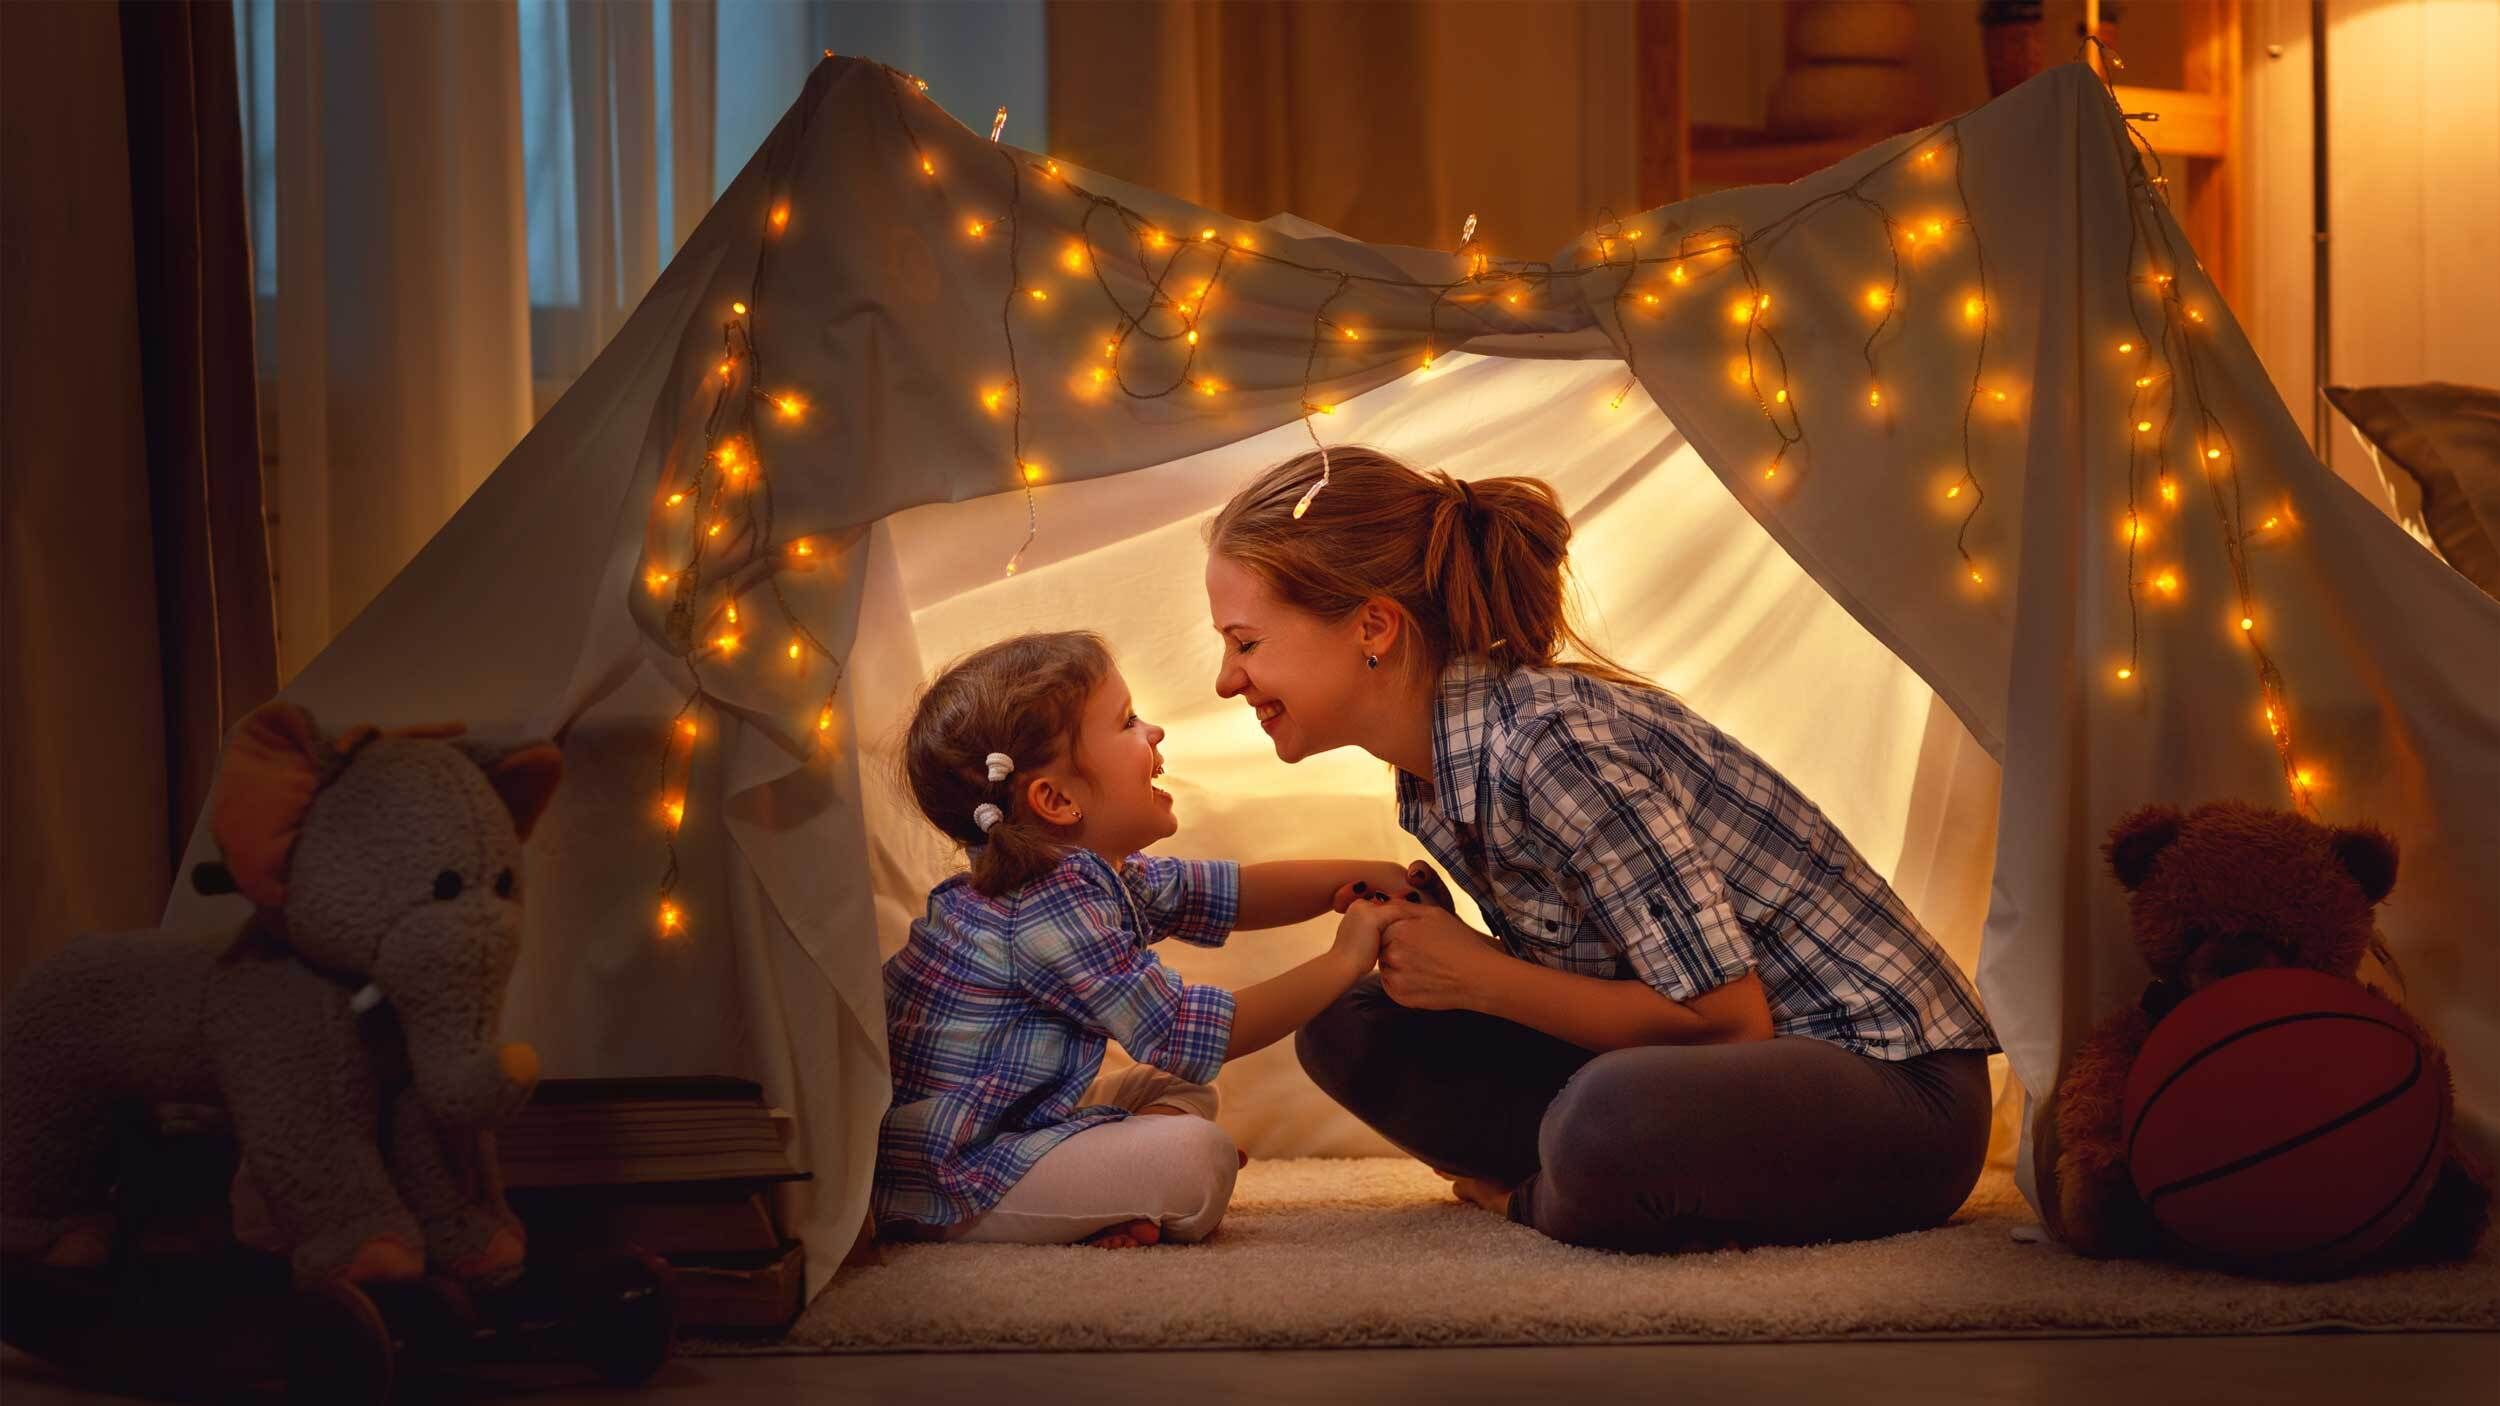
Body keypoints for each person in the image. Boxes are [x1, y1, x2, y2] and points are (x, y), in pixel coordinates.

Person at [1203, 447, 1999, 1252]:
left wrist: (1479, 977)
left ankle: (1544, 1197)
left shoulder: (1554, 746)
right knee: (1348, 1024)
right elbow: (1613, 978)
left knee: (1607, 1118)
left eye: (1245, 643)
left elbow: (1727, 1024)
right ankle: (1593, 1181)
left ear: (1373, 628)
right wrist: (1451, 959)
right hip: (1713, 1079)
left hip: (1892, 1094)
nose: (1227, 681)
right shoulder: (1436, 772)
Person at [877, 630, 1430, 1248]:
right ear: (1056, 799)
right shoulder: (1040, 907)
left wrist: (1361, 875)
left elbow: (1231, 893)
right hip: (954, 1170)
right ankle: (1113, 1189)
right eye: (1128, 721)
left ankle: (1112, 1191)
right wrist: (1346, 959)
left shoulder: (1089, 876)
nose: (1155, 731)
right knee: (1198, 1159)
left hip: (1016, 1119)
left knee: (1177, 1089)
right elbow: (1187, 1033)